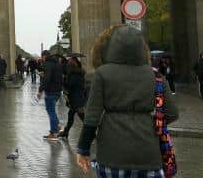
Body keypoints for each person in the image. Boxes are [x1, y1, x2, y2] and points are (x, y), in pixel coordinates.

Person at [76, 25, 179, 176]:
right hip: (149, 154)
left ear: (110, 47)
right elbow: (172, 113)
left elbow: (92, 117)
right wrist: (148, 123)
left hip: (111, 153)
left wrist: (83, 149)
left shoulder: (102, 74)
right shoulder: (156, 76)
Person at [37, 49, 63, 141]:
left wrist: (40, 90)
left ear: (44, 56)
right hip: (57, 91)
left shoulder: (47, 64)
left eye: (42, 57)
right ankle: (58, 126)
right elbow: (55, 76)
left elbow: (47, 79)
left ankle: (53, 133)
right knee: (51, 110)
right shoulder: (57, 64)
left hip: (51, 91)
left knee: (51, 111)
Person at [58, 56, 86, 139]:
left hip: (75, 99)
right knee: (71, 116)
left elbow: (70, 86)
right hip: (78, 98)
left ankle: (92, 133)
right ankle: (66, 132)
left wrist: (64, 81)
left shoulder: (73, 75)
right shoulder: (80, 73)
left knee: (82, 117)